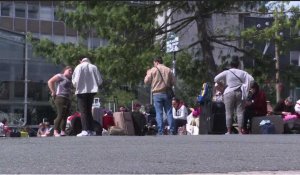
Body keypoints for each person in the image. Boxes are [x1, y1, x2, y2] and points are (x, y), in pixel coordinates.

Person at [214, 56, 254, 134]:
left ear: (231, 65)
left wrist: (221, 85)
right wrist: (245, 86)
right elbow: (252, 80)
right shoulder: (243, 73)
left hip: (229, 92)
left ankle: (228, 131)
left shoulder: (227, 72)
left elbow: (216, 79)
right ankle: (240, 131)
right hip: (240, 92)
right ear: (238, 65)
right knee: (240, 112)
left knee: (229, 112)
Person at [144, 56, 176, 135]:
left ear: (156, 62)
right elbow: (174, 82)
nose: (154, 64)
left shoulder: (153, 70)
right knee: (169, 112)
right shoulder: (168, 70)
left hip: (157, 94)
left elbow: (146, 81)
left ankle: (160, 131)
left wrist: (147, 73)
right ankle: (172, 130)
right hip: (167, 93)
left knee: (159, 113)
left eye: (154, 63)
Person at [72, 57, 103, 136]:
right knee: (89, 111)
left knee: (83, 111)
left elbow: (74, 81)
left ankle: (85, 130)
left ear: (81, 61)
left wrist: (77, 86)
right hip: (92, 91)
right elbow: (99, 80)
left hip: (81, 91)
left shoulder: (78, 67)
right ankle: (91, 130)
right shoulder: (94, 67)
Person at [48, 66, 73, 137]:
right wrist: (53, 91)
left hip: (67, 98)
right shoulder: (60, 76)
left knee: (65, 115)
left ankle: (63, 131)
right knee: (61, 114)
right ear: (65, 70)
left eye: (72, 71)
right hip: (60, 97)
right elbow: (50, 81)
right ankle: (55, 131)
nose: (71, 72)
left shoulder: (69, 79)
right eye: (69, 70)